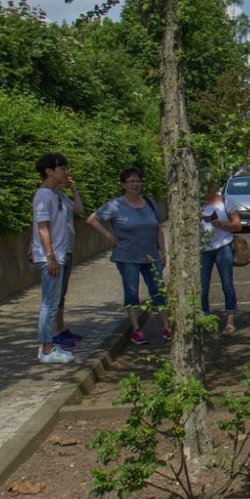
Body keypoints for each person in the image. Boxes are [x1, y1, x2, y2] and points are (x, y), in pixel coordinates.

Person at [87, 166, 170, 345]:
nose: (135, 184)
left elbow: (158, 228)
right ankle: (136, 330)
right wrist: (109, 236)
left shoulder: (149, 202)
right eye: (131, 181)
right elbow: (92, 219)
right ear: (123, 184)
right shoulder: (116, 205)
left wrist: (163, 252)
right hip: (127, 257)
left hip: (151, 256)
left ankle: (167, 325)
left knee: (158, 291)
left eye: (137, 180)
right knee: (131, 292)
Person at [30, 153, 83, 364]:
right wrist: (50, 256)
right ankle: (46, 348)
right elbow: (43, 227)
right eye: (62, 168)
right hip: (51, 258)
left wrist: (74, 189)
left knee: (55, 301)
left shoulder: (57, 195)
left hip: (62, 255)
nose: (66, 172)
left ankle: (51, 344)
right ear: (49, 171)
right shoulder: (43, 195)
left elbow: (78, 209)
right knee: (49, 304)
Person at [200, 178, 242, 334]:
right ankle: (204, 319)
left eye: (212, 182)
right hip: (203, 249)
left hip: (223, 246)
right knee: (202, 287)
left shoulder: (226, 201)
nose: (209, 186)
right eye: (206, 183)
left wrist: (221, 224)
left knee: (227, 284)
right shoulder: (196, 202)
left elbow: (238, 225)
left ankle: (230, 321)